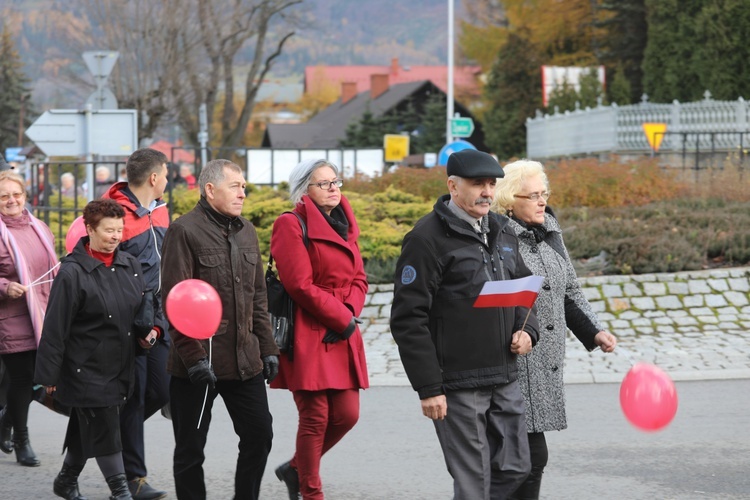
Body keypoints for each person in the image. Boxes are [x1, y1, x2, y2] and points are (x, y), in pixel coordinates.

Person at [390, 149, 541, 500]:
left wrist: (527, 331)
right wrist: (429, 387)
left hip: (504, 374)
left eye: (491, 184)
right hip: (457, 384)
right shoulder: (426, 239)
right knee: (474, 483)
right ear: (453, 186)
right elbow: (408, 319)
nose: (487, 191)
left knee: (517, 466)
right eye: (478, 184)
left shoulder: (503, 231)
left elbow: (522, 292)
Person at [493, 159, 618, 500]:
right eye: (532, 194)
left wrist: (595, 331)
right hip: (513, 357)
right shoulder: (498, 236)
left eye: (544, 192)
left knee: (527, 457)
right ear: (508, 200)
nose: (541, 200)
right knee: (523, 457)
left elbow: (569, 291)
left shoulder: (550, 230)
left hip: (544, 361)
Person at [160, 159, 278, 500]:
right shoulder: (184, 231)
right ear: (210, 189)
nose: (243, 192)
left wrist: (268, 348)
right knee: (190, 450)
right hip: (197, 365)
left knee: (259, 436)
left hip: (244, 360)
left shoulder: (248, 230)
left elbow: (258, 296)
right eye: (235, 186)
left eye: (244, 186)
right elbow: (174, 300)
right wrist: (194, 358)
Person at [269, 159, 369, 500]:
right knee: (315, 416)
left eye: (335, 182)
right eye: (323, 184)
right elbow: (298, 284)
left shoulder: (344, 223)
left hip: (341, 325)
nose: (333, 189)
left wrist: (348, 313)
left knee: (347, 414)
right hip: (309, 327)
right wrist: (340, 319)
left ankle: (295, 468)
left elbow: (359, 277)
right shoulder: (290, 223)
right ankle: (311, 492)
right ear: (304, 190)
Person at [35, 199, 147, 500]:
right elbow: (55, 328)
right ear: (89, 229)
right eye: (108, 230)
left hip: (121, 363)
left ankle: (66, 480)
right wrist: (47, 376)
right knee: (106, 429)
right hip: (84, 367)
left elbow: (144, 307)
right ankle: (121, 492)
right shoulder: (72, 273)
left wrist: (152, 331)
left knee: (91, 425)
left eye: (119, 230)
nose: (115, 236)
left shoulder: (129, 264)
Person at [103, 148, 171, 500]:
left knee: (161, 390)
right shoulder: (116, 213)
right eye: (167, 174)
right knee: (134, 397)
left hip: (159, 316)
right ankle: (132, 478)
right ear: (154, 177)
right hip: (130, 320)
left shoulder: (160, 210)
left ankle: (103, 435)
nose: (168, 180)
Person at [0, 170, 59, 467]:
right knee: (24, 377)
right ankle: (21, 438)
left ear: (25, 196)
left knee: (39, 378)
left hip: (43, 312)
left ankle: (6, 420)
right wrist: (5, 286)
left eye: (16, 194)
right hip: (10, 315)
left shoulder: (39, 227)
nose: (11, 200)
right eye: (4, 196)